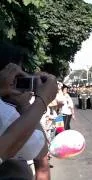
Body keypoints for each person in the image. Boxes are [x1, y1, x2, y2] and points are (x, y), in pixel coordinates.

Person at [0, 42, 58, 179]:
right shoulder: (5, 115)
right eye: (17, 77)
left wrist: (23, 104)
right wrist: (42, 100)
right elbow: (40, 151)